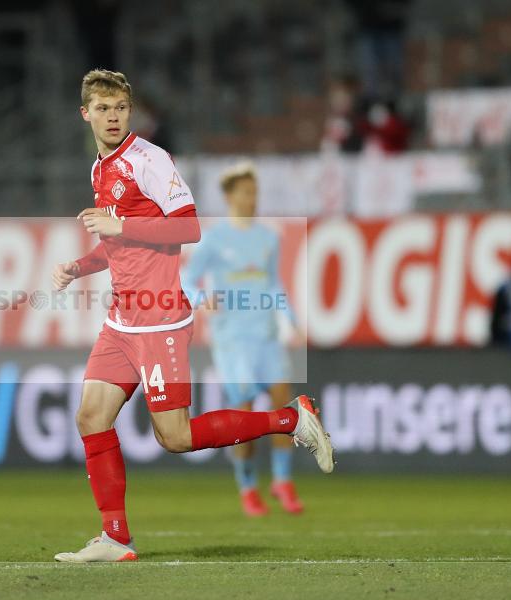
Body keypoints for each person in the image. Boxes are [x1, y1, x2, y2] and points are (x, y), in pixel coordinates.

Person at [51, 69, 334, 563]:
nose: (112, 117)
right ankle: (115, 538)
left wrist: (120, 222)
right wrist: (80, 266)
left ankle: (291, 419)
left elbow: (189, 229)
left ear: (130, 112)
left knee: (175, 437)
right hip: (122, 319)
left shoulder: (149, 160)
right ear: (86, 114)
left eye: (120, 108)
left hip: (159, 320)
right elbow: (117, 244)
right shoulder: (99, 169)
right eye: (102, 109)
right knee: (91, 415)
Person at [181, 162, 304, 517]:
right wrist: (203, 300)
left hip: (265, 334)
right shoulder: (214, 240)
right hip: (233, 340)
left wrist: (292, 321)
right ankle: (248, 487)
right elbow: (187, 280)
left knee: (284, 403)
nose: (253, 199)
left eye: (256, 192)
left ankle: (282, 480)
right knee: (246, 415)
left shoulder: (268, 238)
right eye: (247, 192)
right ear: (230, 196)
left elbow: (274, 283)